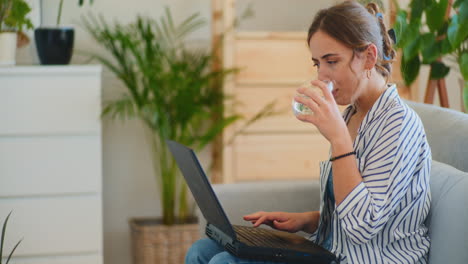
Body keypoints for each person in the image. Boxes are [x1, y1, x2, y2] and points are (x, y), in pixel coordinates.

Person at [185, 1, 431, 263]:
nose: (321, 74)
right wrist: (306, 220)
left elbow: (362, 227)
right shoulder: (352, 114)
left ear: (369, 57)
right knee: (202, 250)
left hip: (372, 259)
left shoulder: (398, 123)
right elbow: (349, 210)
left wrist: (338, 139)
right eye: (317, 63)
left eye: (332, 61)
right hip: (333, 251)